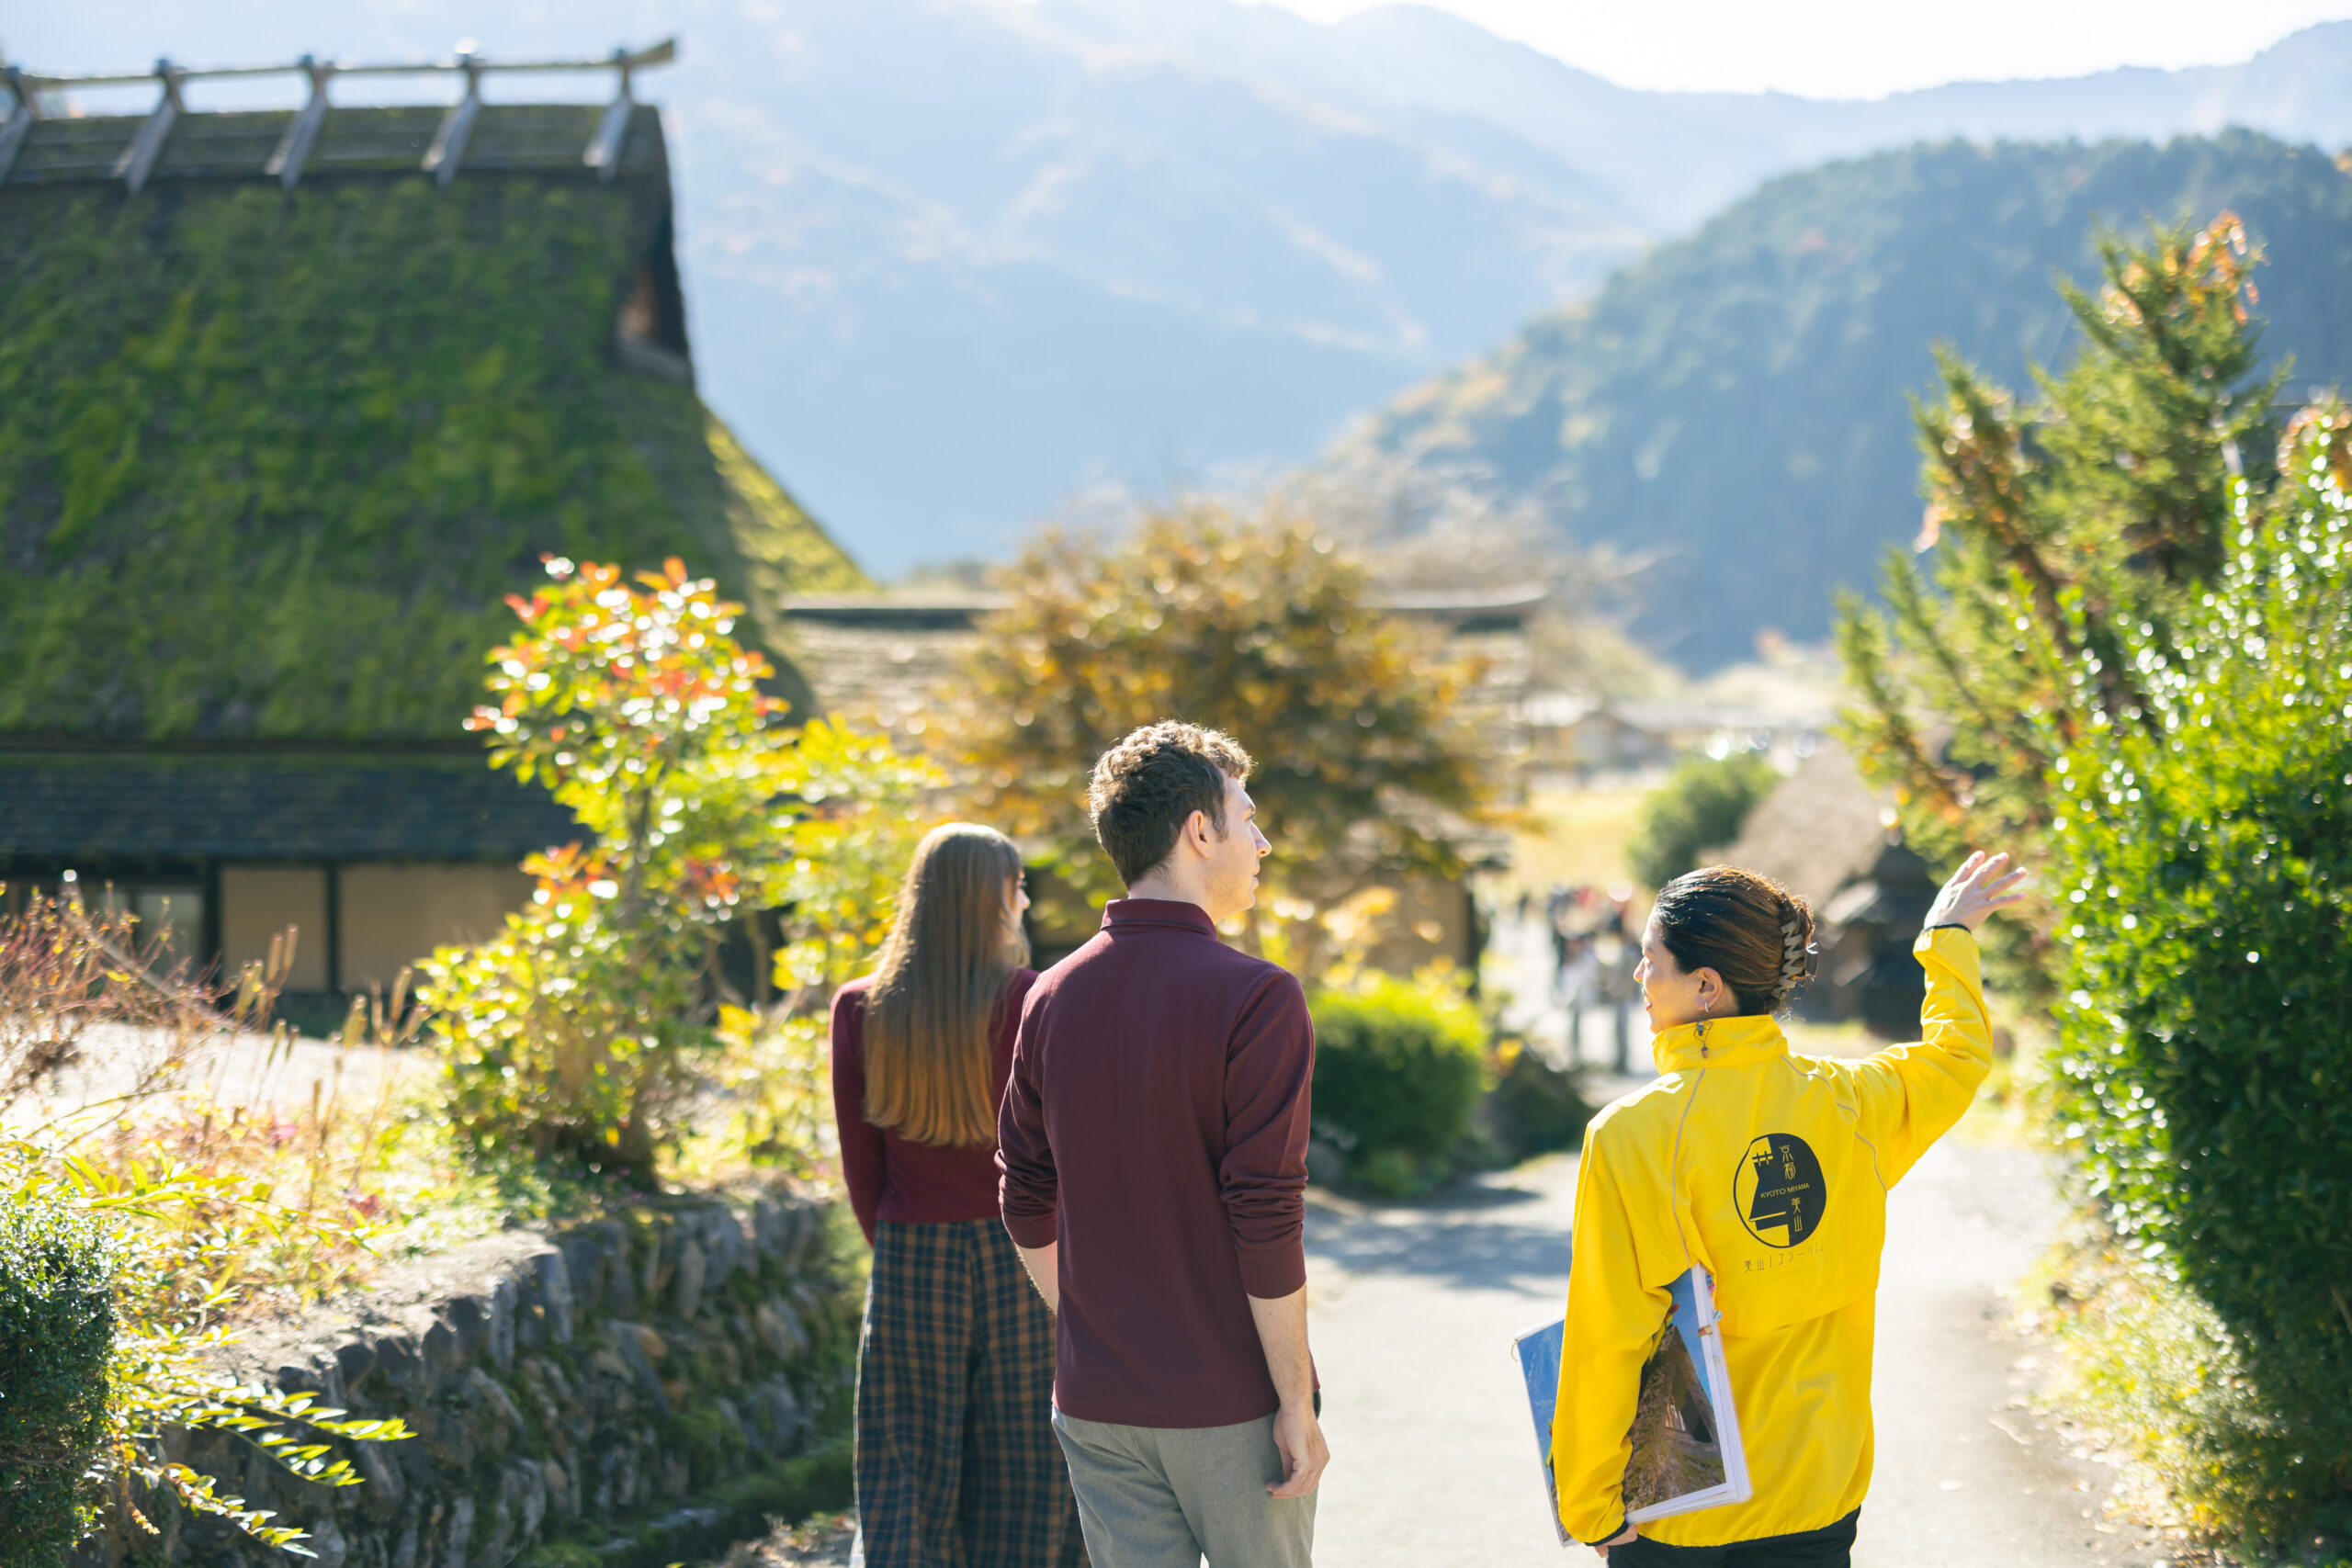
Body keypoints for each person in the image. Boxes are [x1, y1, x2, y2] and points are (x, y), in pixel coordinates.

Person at [1553, 851, 2027, 1565]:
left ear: (1706, 984)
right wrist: (1947, 936)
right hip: (1819, 1490)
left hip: (1682, 1508)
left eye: (1652, 959)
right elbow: (1958, 1055)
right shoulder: (1851, 1101)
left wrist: (1589, 1502)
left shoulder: (1630, 1135)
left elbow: (1607, 1335)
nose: (1639, 976)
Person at [998, 721, 1329, 1568]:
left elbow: (1024, 1192)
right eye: (1245, 817)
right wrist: (1296, 1397)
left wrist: (1088, 1323)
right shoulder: (1258, 997)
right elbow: (1264, 1210)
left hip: (1098, 1399)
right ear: (1198, 830)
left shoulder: (1050, 995)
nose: (1262, 841)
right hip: (1228, 1400)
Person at [830, 822, 1086, 1568]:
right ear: (992, 898)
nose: (1026, 900)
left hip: (913, 1255)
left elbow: (861, 1166)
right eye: (1018, 885)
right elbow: (1060, 1154)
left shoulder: (861, 1007)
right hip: (1025, 1254)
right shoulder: (1034, 999)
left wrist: (900, 1249)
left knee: (906, 1465)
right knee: (1029, 1466)